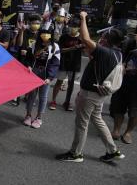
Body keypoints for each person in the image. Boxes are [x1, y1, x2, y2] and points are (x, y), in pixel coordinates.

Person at [56, 11, 125, 163]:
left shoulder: (105, 51)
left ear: (107, 40)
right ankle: (113, 150)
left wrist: (83, 18)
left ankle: (76, 154)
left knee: (82, 123)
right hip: (99, 94)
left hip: (90, 94)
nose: (101, 38)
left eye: (104, 36)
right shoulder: (117, 53)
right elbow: (91, 51)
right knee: (97, 119)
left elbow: (86, 38)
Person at [23, 25, 60, 128]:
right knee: (31, 95)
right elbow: (28, 58)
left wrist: (50, 77)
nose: (45, 35)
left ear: (51, 35)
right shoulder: (34, 44)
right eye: (43, 32)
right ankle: (28, 115)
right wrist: (29, 66)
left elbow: (55, 63)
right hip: (34, 72)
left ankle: (39, 117)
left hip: (46, 74)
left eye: (48, 33)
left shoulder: (55, 47)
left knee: (43, 97)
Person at [50, 18, 83, 111]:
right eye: (72, 26)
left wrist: (82, 46)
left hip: (75, 64)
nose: (73, 28)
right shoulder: (64, 37)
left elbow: (85, 49)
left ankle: (67, 102)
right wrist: (73, 48)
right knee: (59, 82)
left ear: (79, 27)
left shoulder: (81, 38)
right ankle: (53, 100)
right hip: (64, 63)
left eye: (75, 26)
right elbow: (60, 50)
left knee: (71, 84)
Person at [110, 34, 137, 144]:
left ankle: (128, 132)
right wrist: (123, 67)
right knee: (119, 106)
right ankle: (116, 129)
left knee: (134, 110)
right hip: (124, 82)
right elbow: (122, 61)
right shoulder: (131, 49)